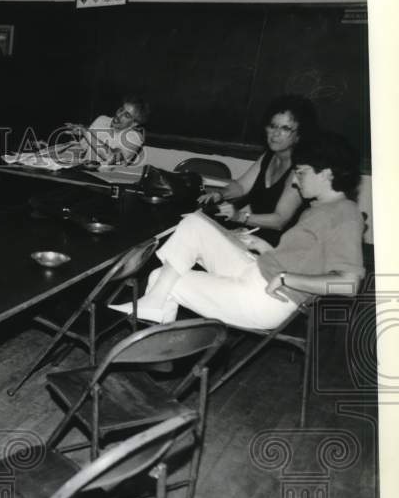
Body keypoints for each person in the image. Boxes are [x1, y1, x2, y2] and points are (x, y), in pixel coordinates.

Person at [110, 132, 365, 331]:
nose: (295, 181)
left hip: (266, 299)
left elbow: (349, 284)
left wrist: (287, 279)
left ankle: (157, 331)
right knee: (194, 223)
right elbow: (307, 257)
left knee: (160, 278)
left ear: (326, 174)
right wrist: (267, 249)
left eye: (300, 173)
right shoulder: (321, 207)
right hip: (258, 271)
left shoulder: (345, 214)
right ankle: (155, 313)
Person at [197, 94, 317, 235]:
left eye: (285, 128)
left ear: (299, 135)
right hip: (252, 233)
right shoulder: (269, 155)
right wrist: (220, 194)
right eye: (272, 126)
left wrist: (239, 216)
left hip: (278, 242)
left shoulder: (300, 169)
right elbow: (241, 186)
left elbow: (279, 221)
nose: (275, 134)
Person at [55, 95, 150, 166]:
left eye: (127, 115)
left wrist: (86, 132)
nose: (119, 115)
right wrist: (58, 156)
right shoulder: (102, 119)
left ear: (134, 123)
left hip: (107, 182)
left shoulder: (135, 137)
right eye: (121, 110)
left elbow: (111, 157)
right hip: (85, 173)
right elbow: (82, 148)